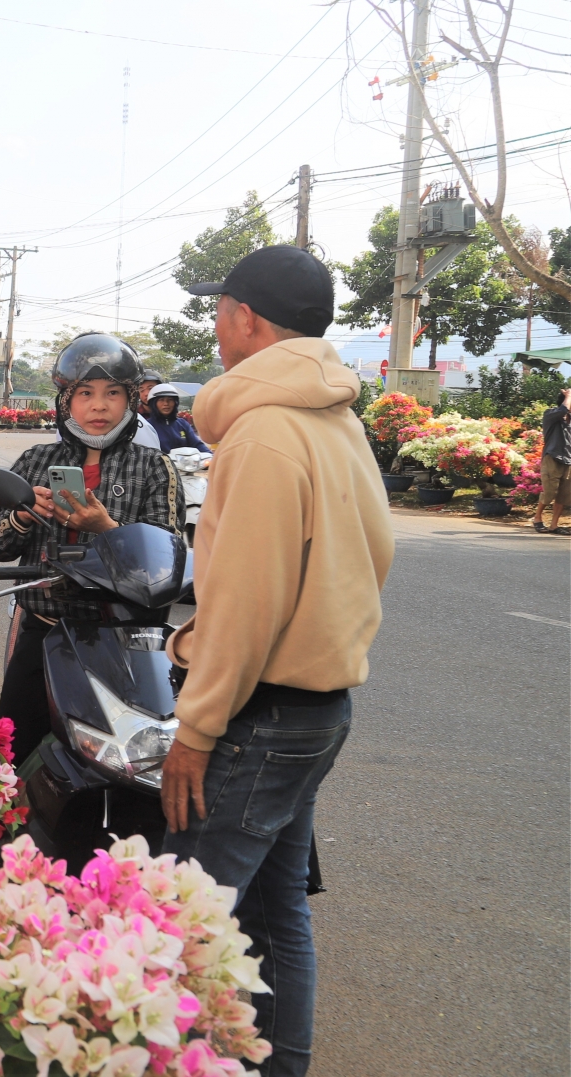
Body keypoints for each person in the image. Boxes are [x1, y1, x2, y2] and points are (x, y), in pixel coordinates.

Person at [159, 245, 395, 1077]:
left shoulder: (263, 433)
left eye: (220, 312)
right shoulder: (335, 417)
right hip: (315, 709)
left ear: (246, 320)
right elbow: (377, 553)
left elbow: (244, 606)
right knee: (274, 911)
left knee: (183, 920)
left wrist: (196, 728)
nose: (216, 329)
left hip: (259, 714)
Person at [0, 333, 181, 766]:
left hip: (124, 638)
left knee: (135, 757)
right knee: (12, 753)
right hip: (42, 628)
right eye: (86, 394)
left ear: (131, 402)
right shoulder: (36, 459)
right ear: (65, 401)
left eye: (113, 393)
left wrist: (106, 528)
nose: (99, 405)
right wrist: (22, 516)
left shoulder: (154, 466)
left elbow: (167, 559)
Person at [535, 382, 570, 533]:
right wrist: (568, 396)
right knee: (549, 492)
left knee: (564, 495)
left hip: (569, 461)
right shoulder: (550, 415)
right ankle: (537, 518)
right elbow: (563, 409)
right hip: (553, 458)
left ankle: (554, 525)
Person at [142, 383, 209, 452]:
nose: (166, 404)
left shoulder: (182, 424)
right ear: (153, 403)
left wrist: (211, 457)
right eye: (161, 400)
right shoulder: (148, 426)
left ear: (175, 403)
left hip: (185, 462)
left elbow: (197, 444)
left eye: (170, 399)